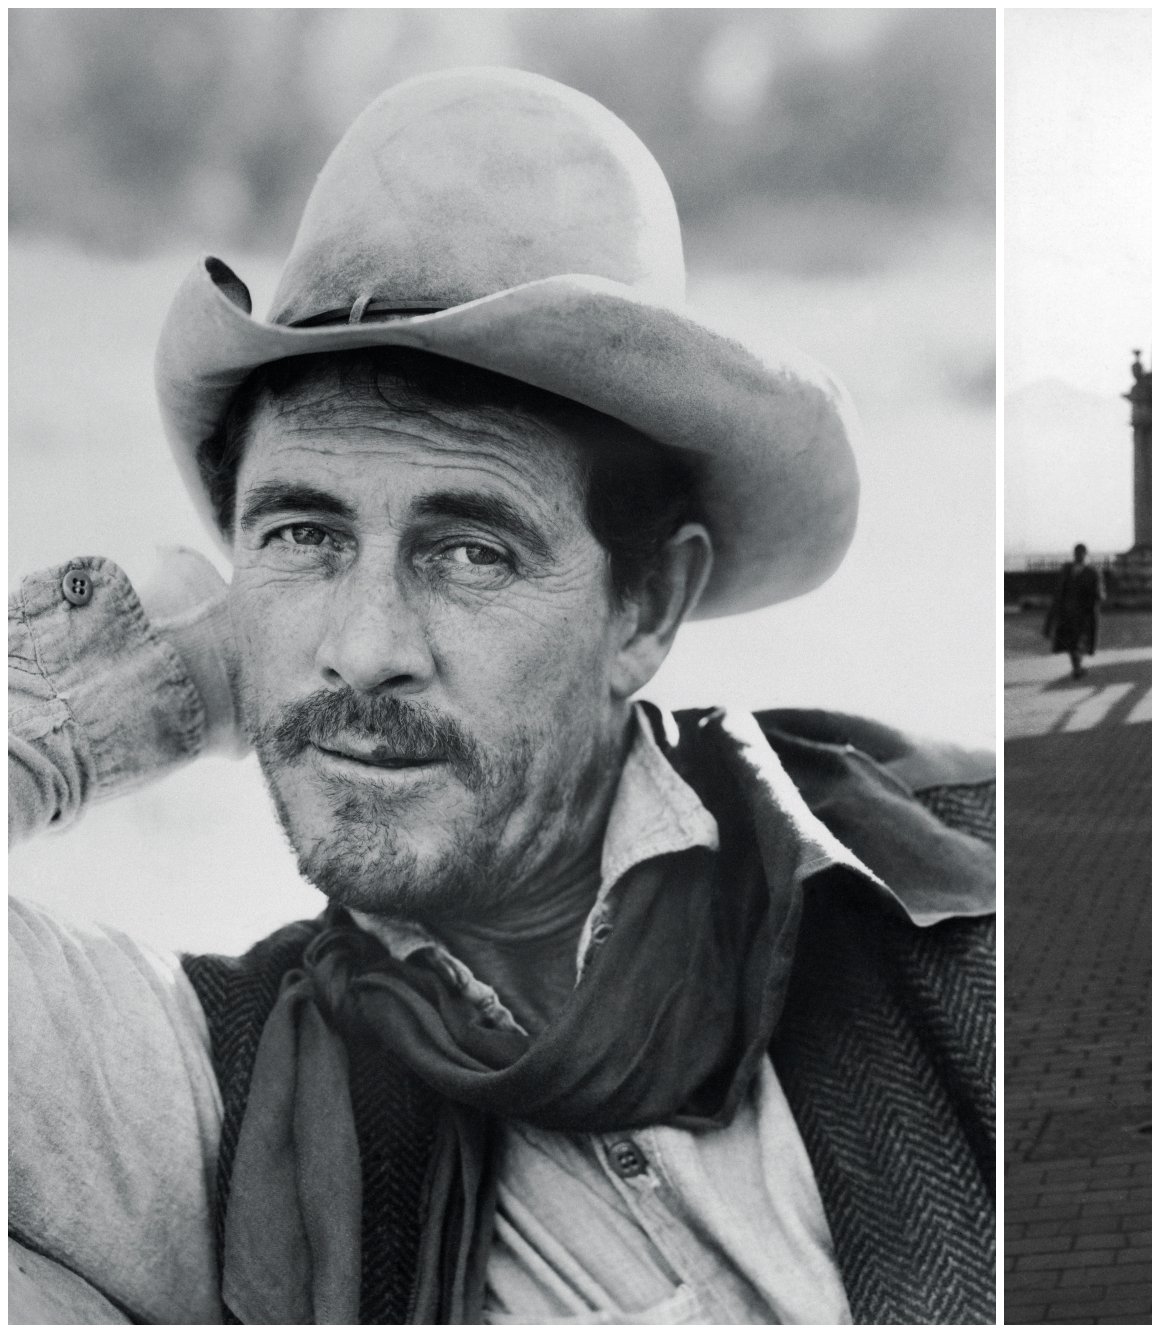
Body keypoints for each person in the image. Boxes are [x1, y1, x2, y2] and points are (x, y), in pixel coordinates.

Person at [9, 68, 994, 1325]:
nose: (364, 650)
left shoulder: (950, 884)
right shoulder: (208, 1090)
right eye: (303, 536)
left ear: (645, 610)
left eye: (470, 549)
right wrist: (116, 694)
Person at [1042, 543, 1103, 679]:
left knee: (1078, 642)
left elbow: (1099, 593)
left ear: (1085, 554)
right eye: (1077, 553)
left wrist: (1096, 597)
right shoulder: (1067, 569)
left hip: (1084, 614)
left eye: (1081, 553)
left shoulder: (1092, 572)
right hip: (1067, 613)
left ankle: (1077, 668)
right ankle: (1077, 668)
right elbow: (1059, 591)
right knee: (1072, 643)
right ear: (1074, 554)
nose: (1079, 555)